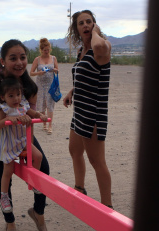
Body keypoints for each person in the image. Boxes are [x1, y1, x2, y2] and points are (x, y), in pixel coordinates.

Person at [0, 39, 50, 231]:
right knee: (2, 176)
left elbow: (30, 114)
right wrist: (9, 119)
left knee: (43, 167)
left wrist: (33, 117)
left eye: (22, 57)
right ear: (2, 61)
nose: (19, 62)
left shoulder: (28, 85)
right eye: (13, 58)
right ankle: (10, 222)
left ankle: (38, 213)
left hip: (18, 134)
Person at [63, 10, 113, 209]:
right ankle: (79, 189)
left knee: (96, 160)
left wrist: (96, 32)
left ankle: (107, 208)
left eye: (89, 22)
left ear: (95, 25)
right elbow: (86, 76)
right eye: (81, 23)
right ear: (75, 28)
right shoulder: (82, 51)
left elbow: (99, 44)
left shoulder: (102, 47)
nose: (85, 25)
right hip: (80, 112)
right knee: (74, 151)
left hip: (93, 113)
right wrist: (72, 91)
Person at [0, 75, 48, 214]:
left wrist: (41, 116)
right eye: (11, 96)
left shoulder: (23, 106)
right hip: (9, 143)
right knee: (7, 171)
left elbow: (33, 113)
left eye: (18, 94)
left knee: (38, 156)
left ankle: (32, 180)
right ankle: (4, 196)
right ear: (3, 97)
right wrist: (7, 120)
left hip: (22, 140)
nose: (16, 99)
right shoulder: (4, 110)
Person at [29, 38, 59, 134]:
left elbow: (57, 69)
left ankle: (50, 125)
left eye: (48, 50)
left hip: (51, 85)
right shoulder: (37, 59)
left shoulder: (53, 58)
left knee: (50, 104)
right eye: (44, 50)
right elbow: (31, 73)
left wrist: (54, 70)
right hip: (40, 85)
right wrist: (39, 73)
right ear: (41, 50)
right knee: (42, 104)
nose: (46, 52)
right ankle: (44, 123)